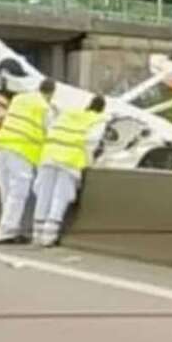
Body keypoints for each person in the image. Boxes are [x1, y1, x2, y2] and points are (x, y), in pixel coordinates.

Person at [32, 94, 106, 247]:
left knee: (44, 193)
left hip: (49, 154)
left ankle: (36, 232)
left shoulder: (69, 113)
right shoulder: (98, 120)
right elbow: (91, 142)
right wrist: (89, 162)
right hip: (70, 159)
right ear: (101, 109)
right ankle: (49, 236)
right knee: (61, 196)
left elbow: (50, 127)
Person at [0, 77, 56, 244]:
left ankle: (7, 227)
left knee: (6, 189)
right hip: (21, 151)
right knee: (19, 191)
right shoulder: (44, 108)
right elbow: (50, 134)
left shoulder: (19, 99)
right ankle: (7, 232)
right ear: (50, 94)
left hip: (3, 145)